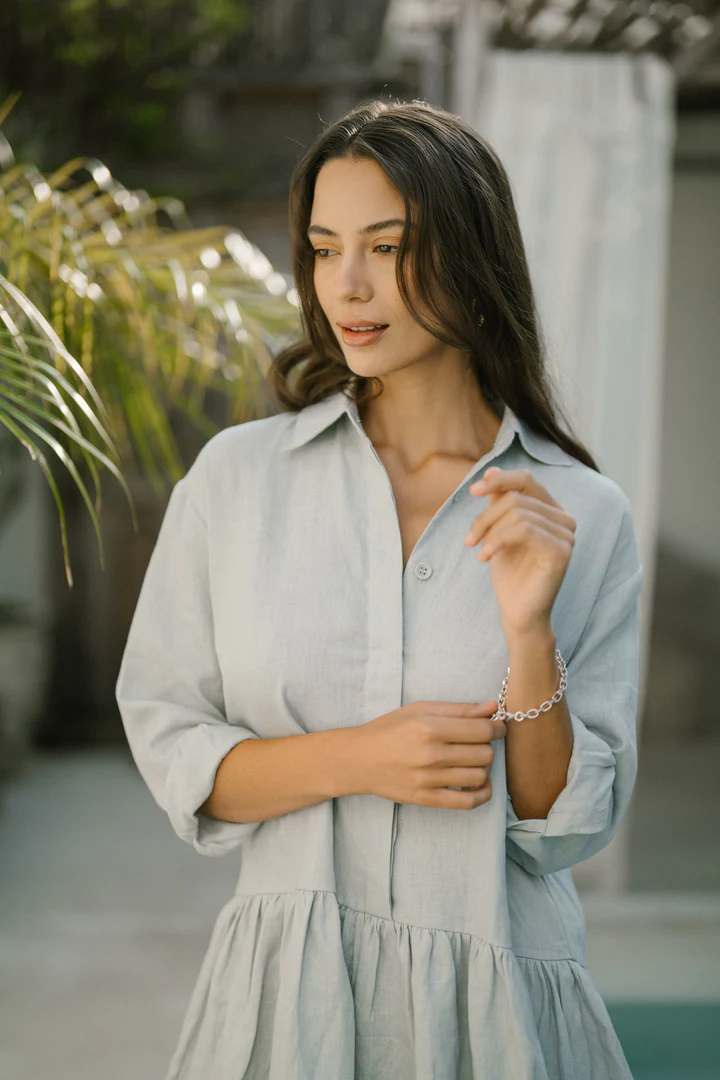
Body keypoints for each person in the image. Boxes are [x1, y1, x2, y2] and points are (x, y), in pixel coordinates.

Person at [115, 99, 644, 1080]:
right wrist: (358, 757)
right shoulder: (238, 481)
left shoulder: (581, 512)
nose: (345, 286)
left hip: (503, 1012)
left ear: (470, 257)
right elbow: (174, 747)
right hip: (286, 1005)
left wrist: (529, 635)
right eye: (322, 249)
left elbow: (561, 825)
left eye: (387, 246)